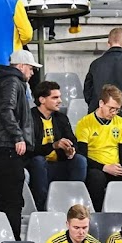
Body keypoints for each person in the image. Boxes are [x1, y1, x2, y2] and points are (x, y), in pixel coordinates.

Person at [0, 49, 38, 238]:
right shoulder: (13, 82)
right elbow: (7, 109)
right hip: (5, 149)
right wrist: (18, 137)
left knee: (6, 201)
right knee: (13, 202)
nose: (31, 73)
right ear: (21, 66)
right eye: (30, 68)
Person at [76, 84, 122, 211]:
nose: (114, 113)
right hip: (97, 167)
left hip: (116, 168)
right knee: (96, 177)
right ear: (101, 103)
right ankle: (98, 213)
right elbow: (82, 157)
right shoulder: (84, 124)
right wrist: (104, 167)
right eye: (111, 108)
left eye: (117, 109)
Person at [29, 80, 87, 211]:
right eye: (55, 97)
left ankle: (74, 205)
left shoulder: (61, 118)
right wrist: (53, 146)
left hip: (58, 165)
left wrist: (70, 151)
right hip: (37, 167)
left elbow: (73, 141)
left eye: (59, 97)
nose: (60, 101)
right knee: (38, 161)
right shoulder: (29, 118)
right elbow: (29, 150)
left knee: (80, 160)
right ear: (42, 99)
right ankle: (42, 208)